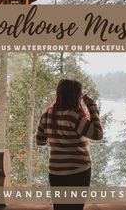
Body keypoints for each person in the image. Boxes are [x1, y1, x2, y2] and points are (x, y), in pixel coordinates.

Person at [36, 78, 103, 210]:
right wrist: (93, 108)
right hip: (78, 171)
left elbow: (40, 141)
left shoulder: (46, 114)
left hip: (55, 171)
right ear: (76, 96)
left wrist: (56, 137)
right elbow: (98, 134)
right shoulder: (74, 117)